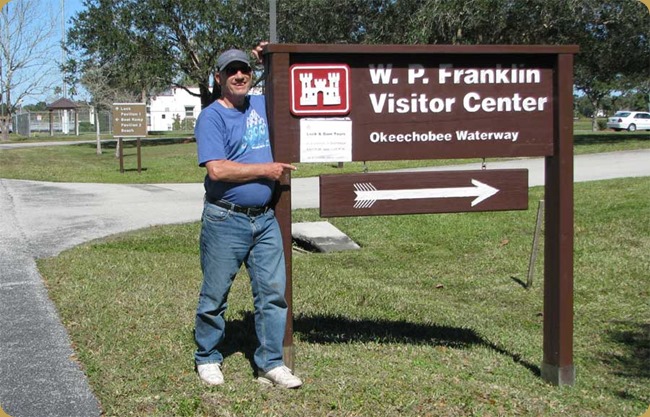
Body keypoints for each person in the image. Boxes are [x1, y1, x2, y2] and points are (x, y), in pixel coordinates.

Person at [193, 44, 302, 389]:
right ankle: (207, 357)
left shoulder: (259, 105)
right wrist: (267, 170)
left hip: (265, 219)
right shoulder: (212, 116)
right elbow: (217, 170)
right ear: (219, 77)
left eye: (245, 70)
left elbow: (284, 87)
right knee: (215, 295)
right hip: (226, 219)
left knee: (272, 293)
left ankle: (270, 363)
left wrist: (266, 61)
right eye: (231, 71)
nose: (239, 76)